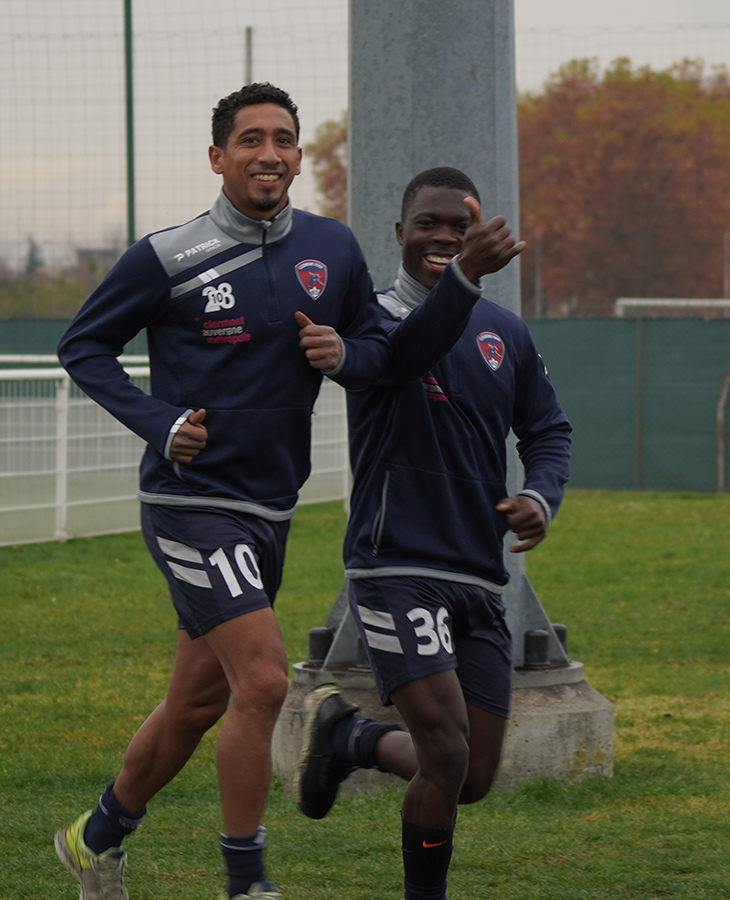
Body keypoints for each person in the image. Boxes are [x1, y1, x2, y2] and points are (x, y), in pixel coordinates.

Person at [53, 86, 518, 900]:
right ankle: (248, 884)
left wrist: (360, 341)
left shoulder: (333, 250)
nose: (269, 153)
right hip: (192, 505)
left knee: (195, 706)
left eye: (284, 140)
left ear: (299, 156)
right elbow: (82, 345)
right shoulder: (168, 256)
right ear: (217, 157)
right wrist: (159, 424)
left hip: (272, 510)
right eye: (251, 140)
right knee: (265, 681)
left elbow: (388, 360)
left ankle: (97, 838)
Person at [292, 167, 571, 900]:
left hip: (480, 573)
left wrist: (541, 496)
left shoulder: (506, 333)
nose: (443, 237)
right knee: (444, 750)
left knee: (473, 775)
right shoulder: (375, 320)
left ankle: (350, 739)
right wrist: (466, 282)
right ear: (400, 234)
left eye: (458, 225)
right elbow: (398, 356)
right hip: (395, 566)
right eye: (428, 224)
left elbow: (547, 430)